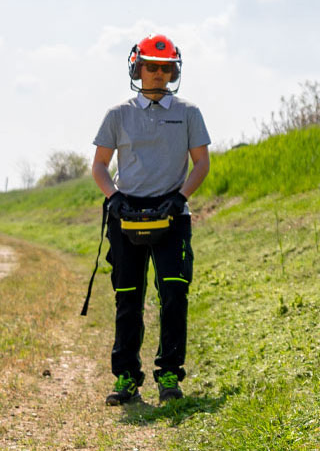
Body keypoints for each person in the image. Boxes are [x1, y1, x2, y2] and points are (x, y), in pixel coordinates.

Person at [90, 34, 211, 406]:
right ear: (136, 68)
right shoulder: (117, 115)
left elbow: (201, 163)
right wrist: (115, 198)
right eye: (151, 66)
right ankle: (127, 377)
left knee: (174, 294)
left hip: (172, 215)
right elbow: (99, 166)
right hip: (127, 215)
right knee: (128, 297)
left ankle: (170, 373)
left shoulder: (188, 113)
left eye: (165, 68)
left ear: (174, 71)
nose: (158, 73)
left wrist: (180, 198)